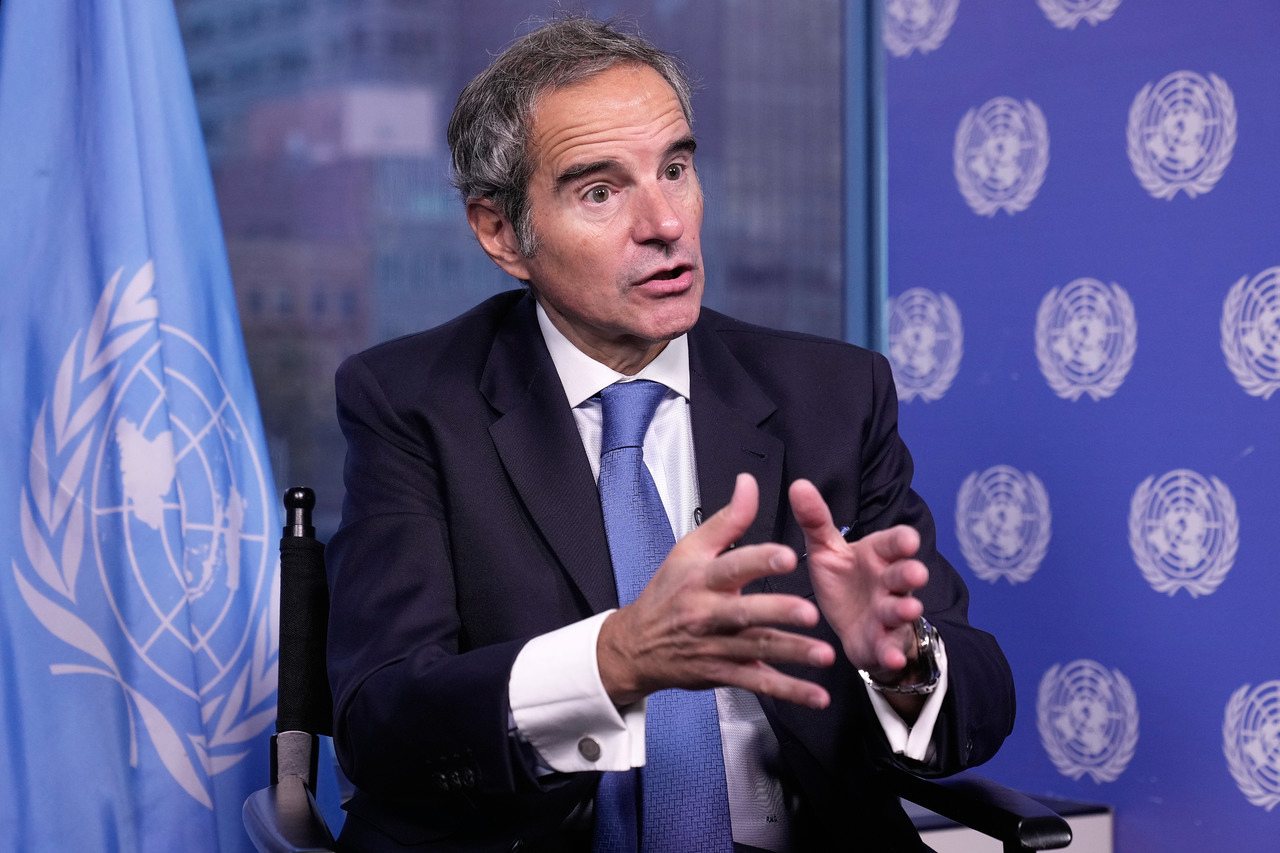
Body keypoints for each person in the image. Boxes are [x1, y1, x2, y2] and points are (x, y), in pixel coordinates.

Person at [326, 15, 1015, 853]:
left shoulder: (833, 394)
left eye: (676, 169)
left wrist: (904, 662)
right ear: (501, 233)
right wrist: (614, 659)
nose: (665, 223)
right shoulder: (412, 403)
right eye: (600, 191)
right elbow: (383, 720)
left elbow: (984, 692)